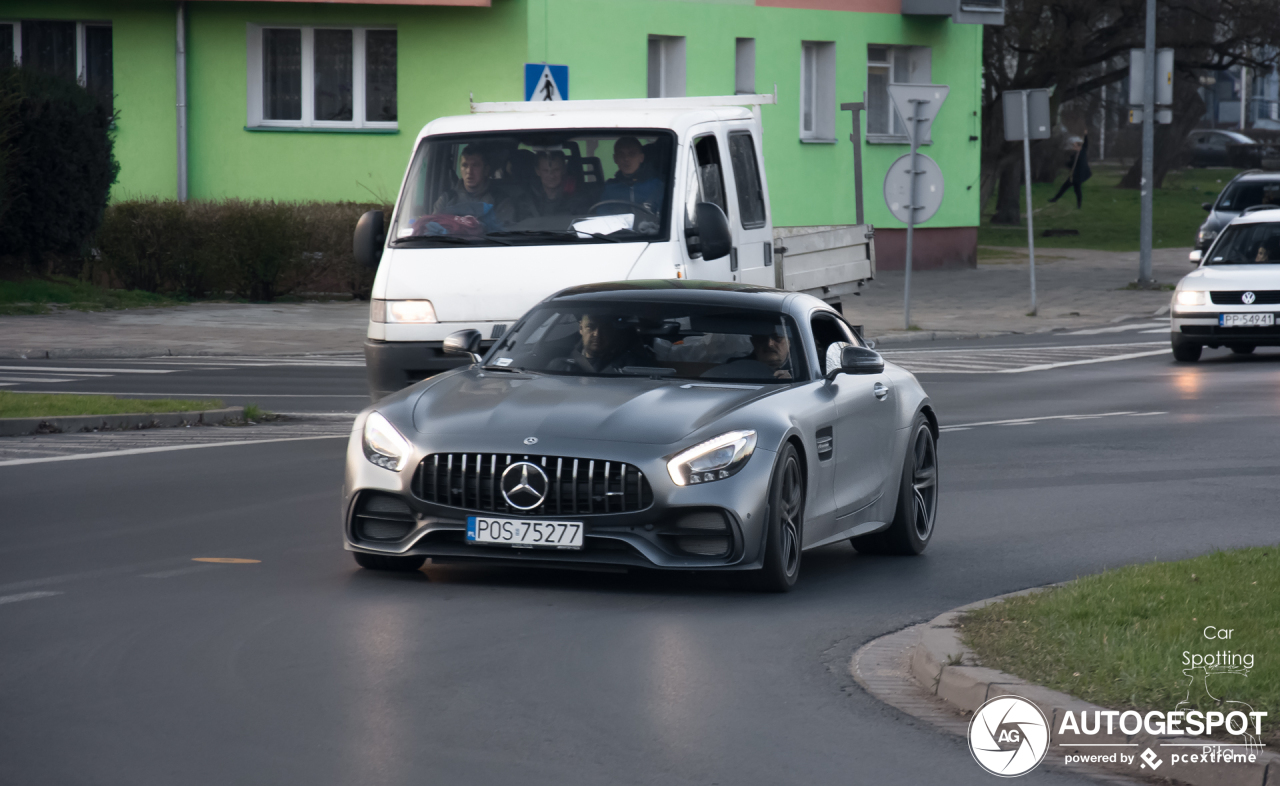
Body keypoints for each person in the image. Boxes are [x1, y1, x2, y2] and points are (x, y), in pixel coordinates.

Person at [431, 145, 513, 227]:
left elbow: (505, 234)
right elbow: (433, 230)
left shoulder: (500, 201)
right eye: (465, 165)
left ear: (486, 170)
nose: (469, 171)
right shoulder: (446, 199)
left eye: (475, 165)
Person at [549, 314, 649, 374]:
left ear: (612, 331)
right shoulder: (560, 366)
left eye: (604, 328)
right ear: (580, 328)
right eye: (591, 327)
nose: (597, 334)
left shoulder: (633, 367)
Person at [598, 137, 664, 215]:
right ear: (615, 158)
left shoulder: (657, 186)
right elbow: (602, 216)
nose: (626, 159)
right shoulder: (609, 188)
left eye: (632, 154)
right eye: (621, 154)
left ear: (641, 158)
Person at [701, 330, 794, 381]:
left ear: (789, 342)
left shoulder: (803, 369)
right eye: (762, 338)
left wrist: (791, 382)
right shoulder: (733, 369)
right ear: (754, 342)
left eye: (777, 338)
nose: (769, 344)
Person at [1048, 130, 1092, 209]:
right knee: (1066, 188)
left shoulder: (1083, 151)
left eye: (1074, 146)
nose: (1073, 147)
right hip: (1074, 176)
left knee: (1076, 190)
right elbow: (1070, 165)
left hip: (1079, 176)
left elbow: (1086, 144)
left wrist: (1085, 135)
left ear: (1079, 147)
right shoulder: (1074, 155)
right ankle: (1055, 199)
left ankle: (1078, 205)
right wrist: (1064, 164)